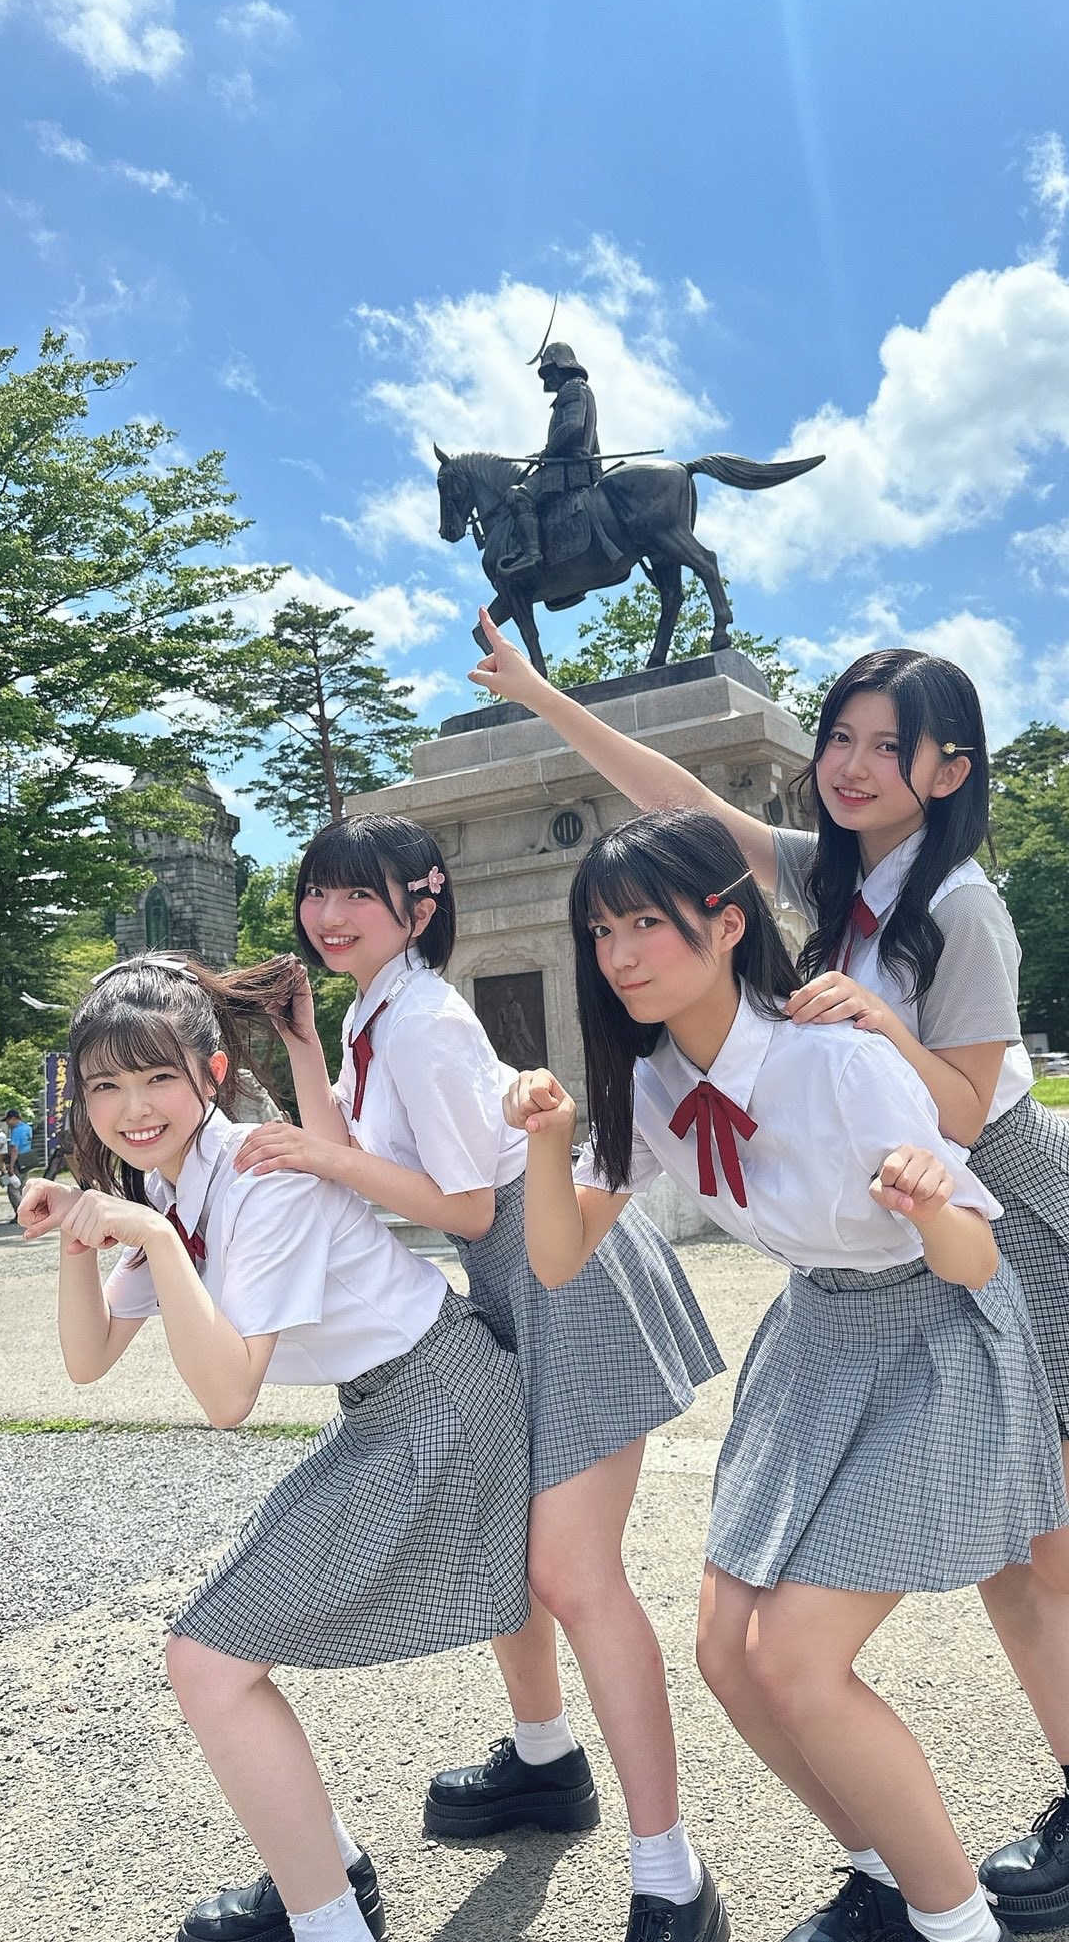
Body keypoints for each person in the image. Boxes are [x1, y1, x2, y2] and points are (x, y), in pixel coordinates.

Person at [470, 613, 1069, 1932]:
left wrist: (880, 1027)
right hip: (899, 1202)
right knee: (1022, 1552)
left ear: (949, 770)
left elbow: (953, 1112)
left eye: (885, 747)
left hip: (1005, 1200)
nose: (848, 765)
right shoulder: (831, 881)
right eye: (837, 737)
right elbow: (683, 812)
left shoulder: (957, 905)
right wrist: (544, 697)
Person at [511, 809, 1069, 1942]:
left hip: (934, 1333)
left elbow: (974, 1259)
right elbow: (558, 1258)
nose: (618, 955)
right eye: (600, 931)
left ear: (726, 925)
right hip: (815, 1334)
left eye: (643, 924)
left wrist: (926, 1198)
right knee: (726, 1655)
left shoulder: (840, 1061)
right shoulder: (653, 1080)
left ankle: (959, 1925)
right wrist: (543, 1140)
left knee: (797, 1660)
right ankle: (885, 1878)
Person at [208, 813, 727, 1942]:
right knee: (513, 1537)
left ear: (422, 900)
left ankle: (671, 1872)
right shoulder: (375, 1009)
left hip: (562, 1275)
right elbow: (364, 1157)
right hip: (518, 1276)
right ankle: (544, 1762)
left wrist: (319, 1153)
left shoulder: (427, 1022)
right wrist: (305, 1049)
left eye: (359, 893)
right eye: (316, 891)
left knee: (575, 1576)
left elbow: (463, 1206)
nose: (328, 915)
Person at [17, 951, 531, 1942]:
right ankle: (328, 1873)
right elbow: (88, 1361)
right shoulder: (167, 1185)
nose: (133, 1108)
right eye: (106, 1086)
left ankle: (331, 1919)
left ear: (211, 1073)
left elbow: (227, 1397)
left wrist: (151, 1240)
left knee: (205, 1661)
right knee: (211, 1651)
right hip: (383, 1411)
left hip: (443, 1402)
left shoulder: (261, 1178)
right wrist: (80, 1237)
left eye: (158, 1076)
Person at [498, 340, 604, 576]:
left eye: (550, 371)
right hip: (578, 463)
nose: (548, 379)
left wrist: (548, 450)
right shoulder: (582, 390)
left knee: (519, 494)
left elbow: (573, 426)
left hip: (568, 468)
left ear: (563, 366)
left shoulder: (572, 389)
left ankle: (532, 554)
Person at [4, 1106, 34, 1213]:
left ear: (13, 1118)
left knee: (13, 1189)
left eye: (8, 1120)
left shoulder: (16, 1131)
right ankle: (27, 1209)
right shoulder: (28, 1128)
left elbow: (14, 1149)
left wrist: (11, 1166)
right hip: (27, 1159)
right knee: (23, 1187)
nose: (7, 1123)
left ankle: (20, 1212)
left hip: (18, 1160)